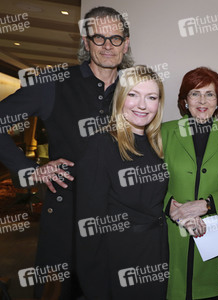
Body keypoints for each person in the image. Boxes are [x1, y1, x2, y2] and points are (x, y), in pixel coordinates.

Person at [0, 6, 132, 298]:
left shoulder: (135, 89)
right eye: (98, 38)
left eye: (115, 38)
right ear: (85, 42)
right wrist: (29, 169)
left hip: (118, 218)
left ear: (126, 43)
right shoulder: (52, 83)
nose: (108, 46)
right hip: (66, 218)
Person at [75, 65, 168, 299]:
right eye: (133, 94)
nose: (142, 105)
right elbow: (90, 226)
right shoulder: (102, 145)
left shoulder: (155, 145)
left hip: (156, 256)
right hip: (120, 264)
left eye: (151, 97)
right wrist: (97, 288)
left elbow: (151, 199)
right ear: (120, 98)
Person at [162, 67, 218, 299]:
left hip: (214, 236)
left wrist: (206, 204)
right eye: (195, 93)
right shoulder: (164, 132)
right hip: (171, 234)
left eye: (209, 94)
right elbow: (150, 183)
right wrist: (171, 206)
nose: (202, 101)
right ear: (184, 100)